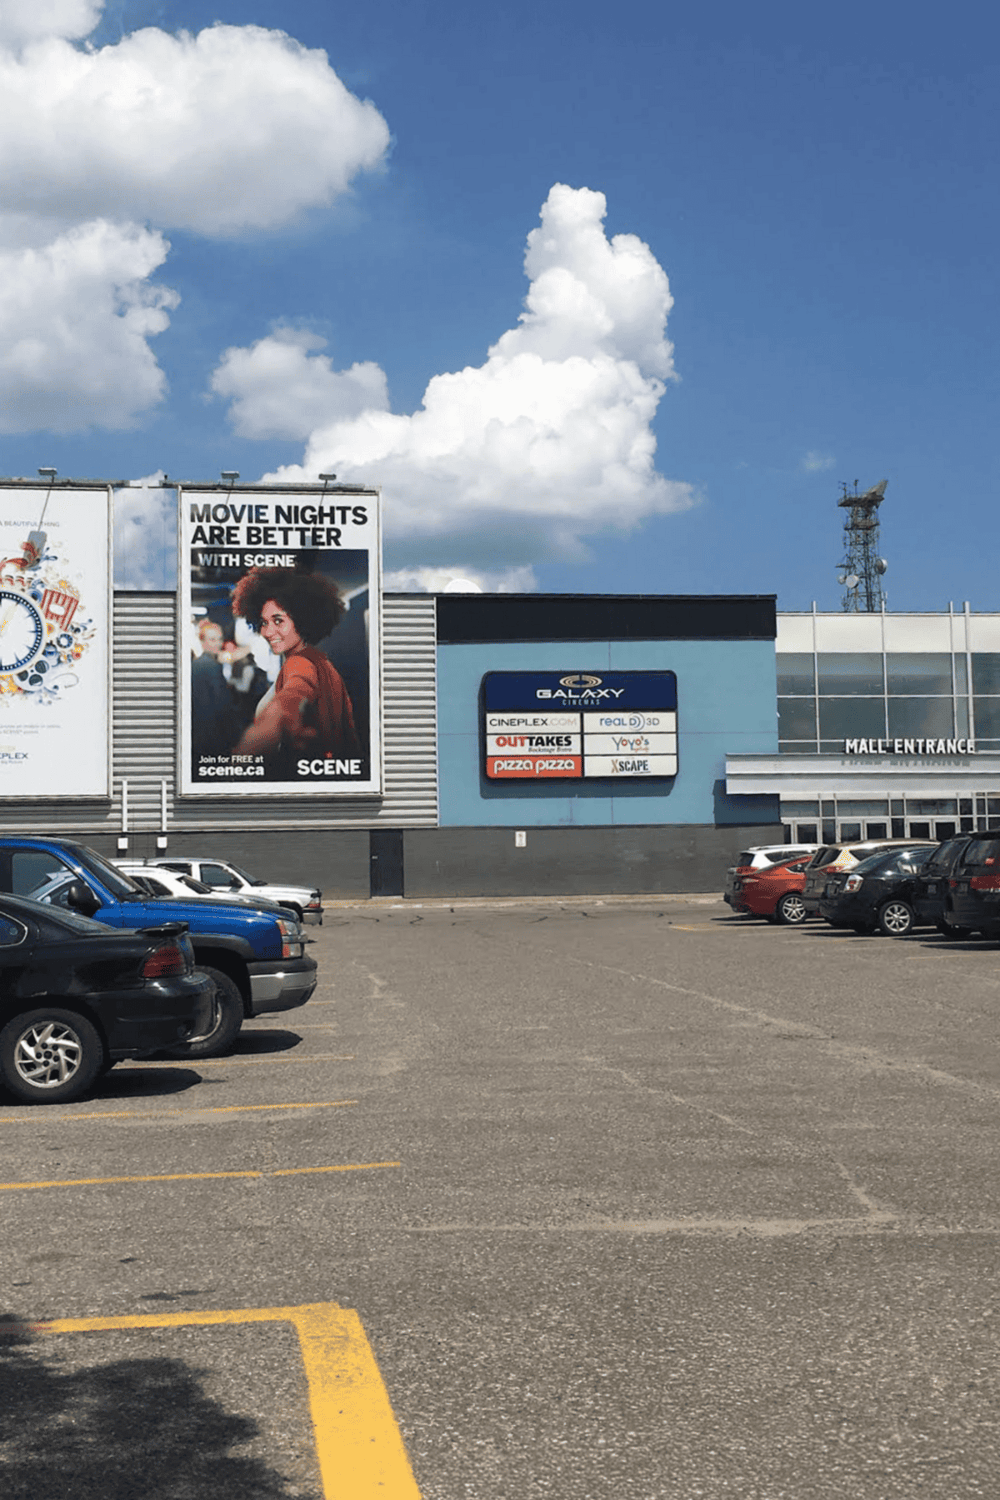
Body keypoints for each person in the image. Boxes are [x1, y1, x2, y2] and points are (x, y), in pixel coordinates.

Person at [231, 568, 360, 775]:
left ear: (301, 620)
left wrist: (254, 744)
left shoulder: (301, 663)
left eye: (278, 620)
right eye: (264, 622)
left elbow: (293, 694)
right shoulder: (318, 661)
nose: (268, 631)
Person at [191, 617, 238, 768]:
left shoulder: (195, 665)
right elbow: (223, 706)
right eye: (212, 639)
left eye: (219, 639)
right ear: (202, 641)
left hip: (197, 735)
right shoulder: (212, 666)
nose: (218, 643)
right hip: (214, 736)